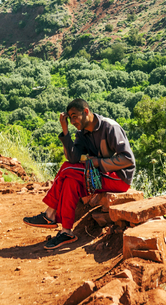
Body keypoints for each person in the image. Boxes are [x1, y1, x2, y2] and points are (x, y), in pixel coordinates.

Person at [23, 98, 135, 250]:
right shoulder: (82, 133)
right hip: (97, 176)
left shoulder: (110, 127)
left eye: (75, 116)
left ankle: (49, 215)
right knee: (70, 182)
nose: (73, 120)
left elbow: (128, 159)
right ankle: (66, 231)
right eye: (70, 118)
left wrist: (98, 162)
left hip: (118, 178)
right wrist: (65, 131)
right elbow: (73, 158)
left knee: (67, 168)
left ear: (86, 112)